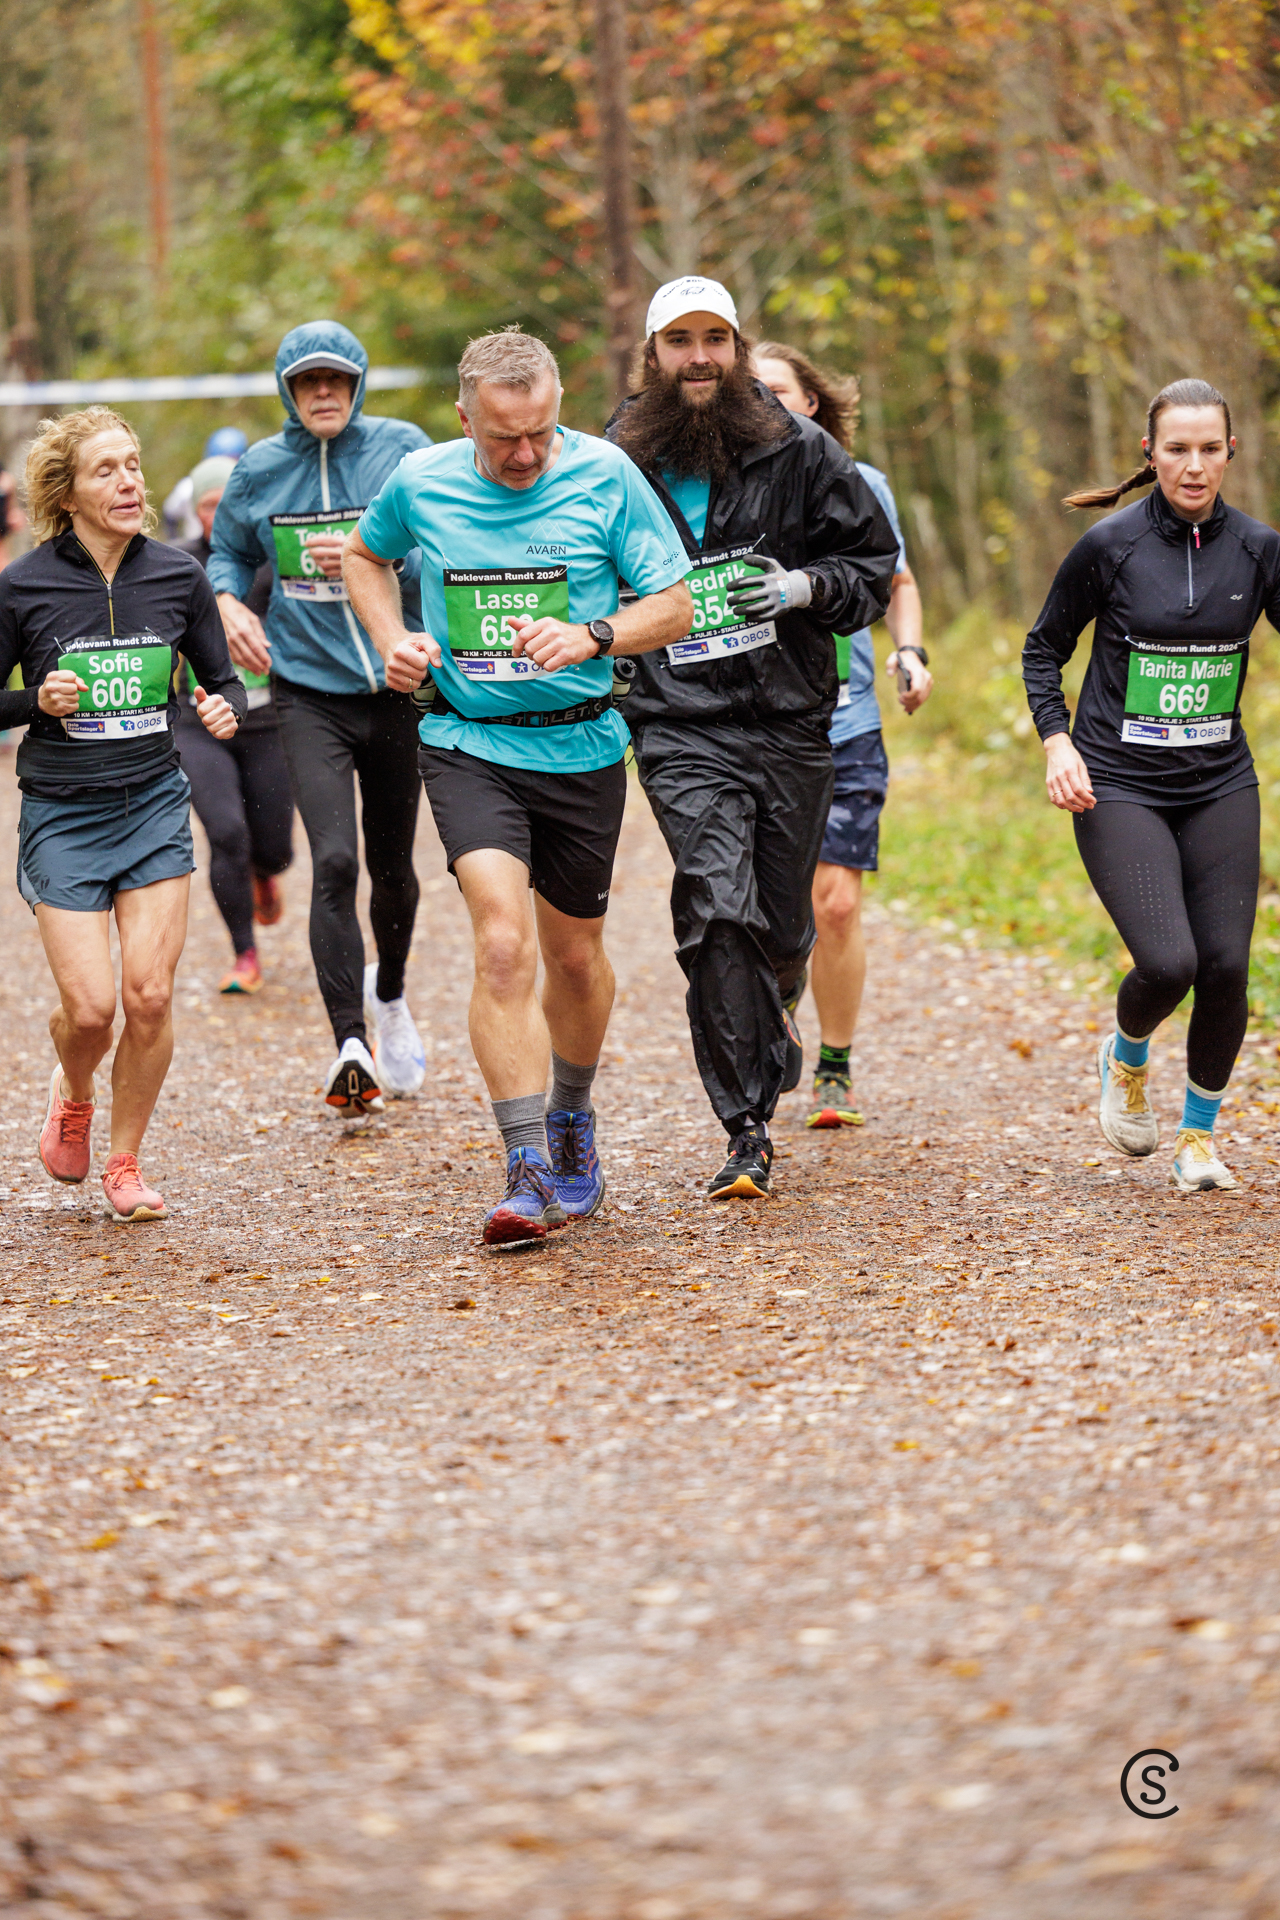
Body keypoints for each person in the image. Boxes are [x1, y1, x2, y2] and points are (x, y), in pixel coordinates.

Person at [343, 327, 693, 1244]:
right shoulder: (421, 481)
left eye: (541, 432)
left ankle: (572, 1115)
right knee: (502, 943)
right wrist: (393, 641)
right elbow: (362, 556)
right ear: (465, 421)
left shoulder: (608, 476)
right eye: (505, 438)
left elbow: (678, 604)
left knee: (573, 957)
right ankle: (527, 1163)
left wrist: (594, 635)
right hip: (469, 741)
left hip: (581, 744)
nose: (528, 454)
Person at [606, 277, 899, 1200]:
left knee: (780, 926)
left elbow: (871, 567)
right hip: (678, 721)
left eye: (715, 339)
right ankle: (745, 1130)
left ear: (736, 348)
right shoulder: (615, 459)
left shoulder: (799, 449)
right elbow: (576, 567)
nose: (698, 357)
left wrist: (803, 588)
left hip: (788, 720)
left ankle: (777, 1004)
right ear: (652, 353)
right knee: (714, 905)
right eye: (679, 340)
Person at [1023, 377, 1280, 1194]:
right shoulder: (1111, 546)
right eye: (1177, 449)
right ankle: (1126, 1054)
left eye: (1209, 449)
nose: (1194, 466)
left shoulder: (1260, 549)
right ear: (1151, 453)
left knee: (1227, 967)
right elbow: (1043, 649)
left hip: (1219, 781)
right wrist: (1058, 744)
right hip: (1118, 783)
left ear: (1231, 452)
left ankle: (1198, 1138)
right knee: (1170, 964)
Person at [0, 407, 246, 1220]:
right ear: (67, 494)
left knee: (147, 997)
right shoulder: (23, 586)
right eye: (105, 470)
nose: (129, 481)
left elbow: (224, 680)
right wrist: (34, 701)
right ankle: (73, 1091)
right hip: (63, 813)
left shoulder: (178, 577)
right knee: (91, 1011)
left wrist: (223, 708)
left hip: (152, 807)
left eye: (133, 464)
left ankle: (124, 1159)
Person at [208, 323, 432, 1115]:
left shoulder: (403, 451)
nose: (324, 391)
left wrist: (381, 559)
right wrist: (229, 600)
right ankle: (350, 1046)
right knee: (334, 861)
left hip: (397, 685)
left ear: (359, 384)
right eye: (308, 381)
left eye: (337, 378)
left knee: (393, 867)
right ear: (288, 392)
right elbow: (225, 552)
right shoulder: (260, 469)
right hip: (308, 692)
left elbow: (447, 544)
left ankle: (391, 997)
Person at [754, 341, 933, 1128]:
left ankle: (834, 1066)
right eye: (750, 391)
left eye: (778, 390)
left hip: (848, 719)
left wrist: (910, 651)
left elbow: (897, 581)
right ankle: (780, 1000)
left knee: (834, 904)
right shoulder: (721, 493)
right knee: (773, 908)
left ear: (812, 402)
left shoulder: (863, 483)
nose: (764, 402)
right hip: (760, 723)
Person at [176, 452, 293, 995]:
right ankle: (244, 954)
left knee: (274, 847)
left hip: (267, 718)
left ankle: (265, 871)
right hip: (198, 720)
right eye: (207, 504)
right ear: (194, 511)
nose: (217, 514)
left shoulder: (271, 561)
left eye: (226, 503)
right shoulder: (179, 565)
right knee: (226, 834)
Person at [164, 426, 248, 541]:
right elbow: (169, 514)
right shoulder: (188, 486)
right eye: (209, 506)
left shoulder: (246, 485)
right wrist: (174, 541)